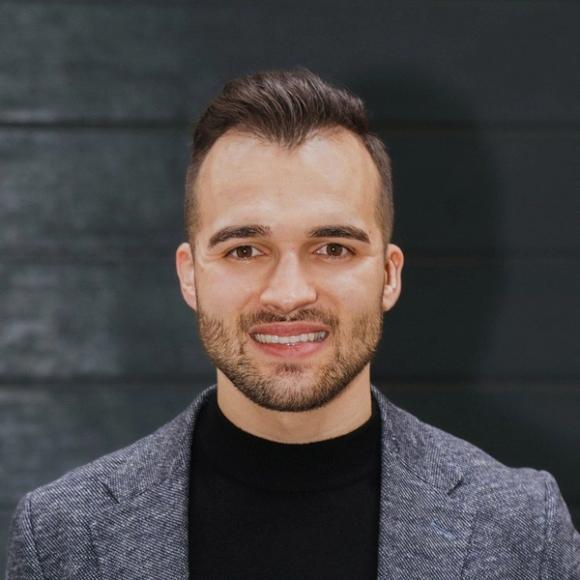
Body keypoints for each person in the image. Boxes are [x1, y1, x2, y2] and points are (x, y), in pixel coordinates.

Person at [6, 69, 579, 580]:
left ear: (389, 275)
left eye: (332, 248)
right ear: (189, 275)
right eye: (244, 250)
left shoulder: (521, 529)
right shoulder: (64, 537)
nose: (288, 294)